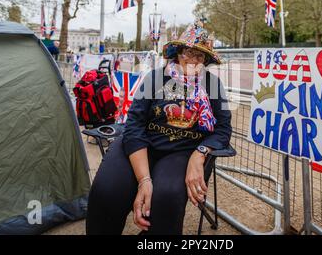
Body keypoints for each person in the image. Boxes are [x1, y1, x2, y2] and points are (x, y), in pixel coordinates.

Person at [86, 20, 232, 235]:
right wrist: (144, 180)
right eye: (187, 53)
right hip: (140, 145)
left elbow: (223, 129)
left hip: (182, 151)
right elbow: (134, 125)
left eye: (199, 56)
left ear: (206, 60)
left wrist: (200, 153)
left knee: (168, 196)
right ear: (177, 53)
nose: (192, 60)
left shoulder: (212, 85)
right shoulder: (155, 78)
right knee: (107, 191)